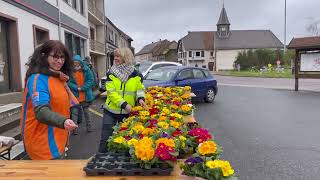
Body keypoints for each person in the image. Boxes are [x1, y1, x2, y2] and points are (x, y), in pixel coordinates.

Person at [20, 40, 78, 160]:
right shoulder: (38, 79)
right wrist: (64, 121)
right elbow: (42, 111)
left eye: (62, 57)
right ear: (44, 56)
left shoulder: (57, 77)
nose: (60, 61)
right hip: (42, 144)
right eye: (55, 57)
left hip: (58, 139)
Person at [98, 47, 146, 153]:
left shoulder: (136, 74)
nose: (115, 58)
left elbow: (140, 89)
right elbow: (111, 93)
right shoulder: (111, 73)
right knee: (105, 138)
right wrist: (124, 104)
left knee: (126, 140)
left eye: (118, 56)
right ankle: (100, 159)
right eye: (114, 56)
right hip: (111, 111)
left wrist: (141, 99)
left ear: (125, 57)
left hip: (127, 113)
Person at [68, 55, 95, 134]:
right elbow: (68, 82)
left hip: (85, 95)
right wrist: (76, 88)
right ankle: (74, 130)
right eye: (74, 63)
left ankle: (89, 127)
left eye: (77, 63)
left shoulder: (86, 70)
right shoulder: (71, 71)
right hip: (75, 96)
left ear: (80, 63)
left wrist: (82, 88)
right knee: (74, 113)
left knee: (86, 112)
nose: (75, 65)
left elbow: (91, 80)